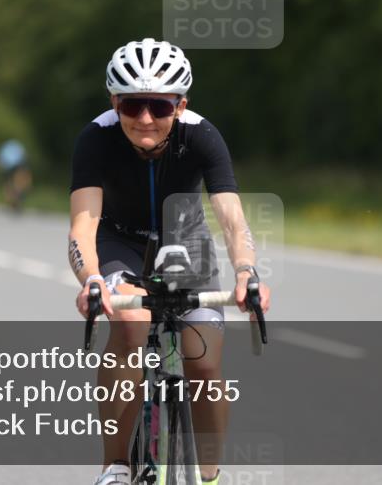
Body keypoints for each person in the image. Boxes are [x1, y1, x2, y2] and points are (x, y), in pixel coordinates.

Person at [69, 38, 271, 485]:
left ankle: (210, 476)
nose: (145, 118)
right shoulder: (95, 139)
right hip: (120, 242)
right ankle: (116, 466)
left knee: (203, 360)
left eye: (159, 106)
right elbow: (83, 228)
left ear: (180, 105)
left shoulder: (202, 135)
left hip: (186, 243)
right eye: (132, 104)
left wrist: (245, 273)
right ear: (114, 101)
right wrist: (91, 281)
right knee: (131, 321)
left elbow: (233, 221)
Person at [0, 139, 33, 211]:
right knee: (17, 183)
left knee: (9, 184)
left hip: (9, 166)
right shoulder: (16, 147)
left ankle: (12, 198)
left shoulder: (7, 147)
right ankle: (15, 197)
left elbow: (1, 158)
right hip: (16, 166)